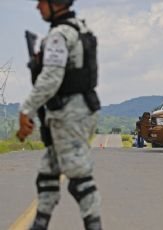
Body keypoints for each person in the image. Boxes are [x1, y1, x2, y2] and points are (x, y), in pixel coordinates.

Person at [17, 0, 102, 229]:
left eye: (42, 2)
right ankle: (39, 224)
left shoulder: (59, 35)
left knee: (78, 175)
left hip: (70, 115)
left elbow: (51, 79)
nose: (37, 7)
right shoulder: (79, 28)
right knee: (48, 173)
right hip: (75, 110)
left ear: (56, 3)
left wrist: (27, 110)